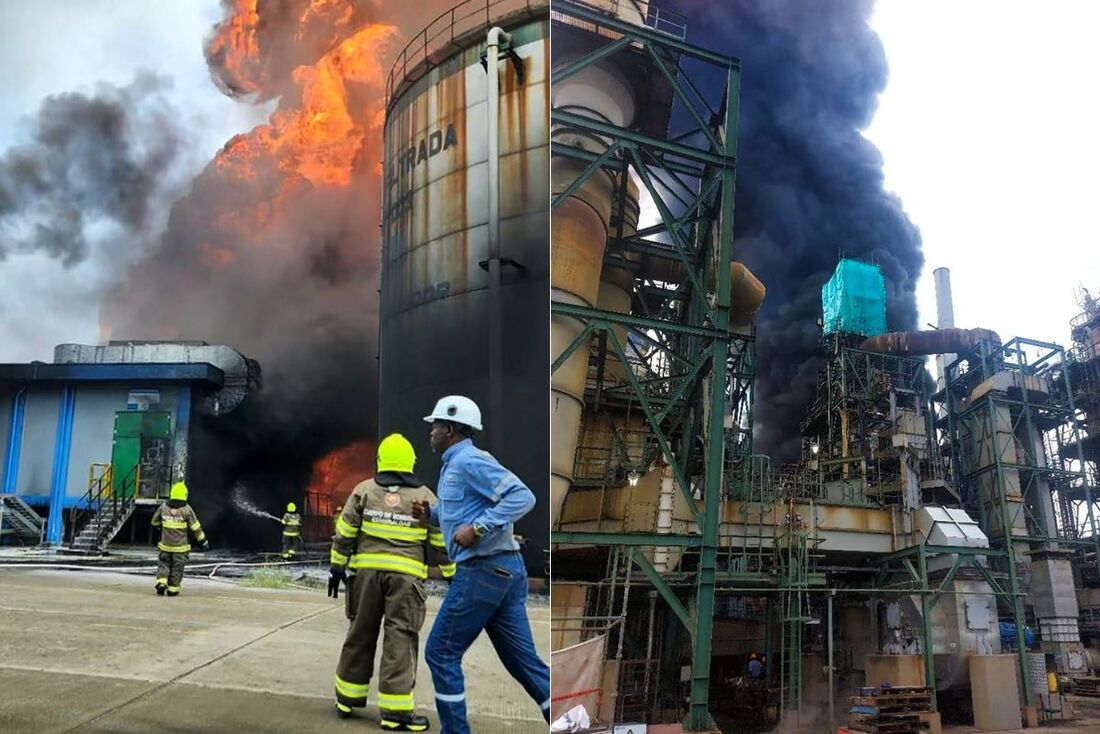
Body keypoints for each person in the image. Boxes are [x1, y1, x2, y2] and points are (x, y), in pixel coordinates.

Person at [412, 395, 550, 733]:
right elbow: (459, 512)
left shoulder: (470, 461)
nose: (430, 431)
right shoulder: (453, 465)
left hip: (483, 571)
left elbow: (522, 496)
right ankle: (563, 719)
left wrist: (477, 529)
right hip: (504, 571)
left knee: (440, 652)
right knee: (524, 663)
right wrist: (430, 514)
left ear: (452, 429)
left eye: (436, 425)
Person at [328, 433, 453, 731]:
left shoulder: (364, 490)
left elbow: (345, 532)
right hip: (406, 581)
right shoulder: (425, 497)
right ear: (411, 462)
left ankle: (347, 697)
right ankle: (394, 713)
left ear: (381, 460)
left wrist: (336, 567)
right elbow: (441, 541)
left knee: (359, 633)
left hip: (365, 577)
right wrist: (452, 576)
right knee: (400, 638)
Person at [150, 481, 208, 596]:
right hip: (180, 548)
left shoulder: (163, 507)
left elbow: (154, 522)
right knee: (177, 568)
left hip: (165, 546)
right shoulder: (187, 510)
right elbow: (195, 527)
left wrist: (160, 529)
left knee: (163, 564)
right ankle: (173, 589)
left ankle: (162, 582)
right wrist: (203, 541)